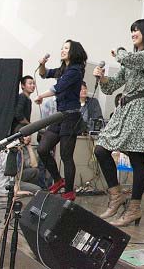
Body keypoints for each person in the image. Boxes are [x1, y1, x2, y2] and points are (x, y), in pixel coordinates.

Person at [92, 19, 144, 227]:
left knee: (137, 158)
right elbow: (111, 86)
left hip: (141, 107)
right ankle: (116, 196)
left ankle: (134, 209)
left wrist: (119, 51)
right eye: (132, 30)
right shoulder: (130, 60)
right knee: (101, 149)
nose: (133, 33)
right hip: (125, 108)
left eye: (136, 30)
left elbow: (128, 58)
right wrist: (102, 78)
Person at [35, 40, 87, 201]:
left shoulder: (75, 71)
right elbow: (44, 74)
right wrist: (42, 64)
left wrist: (41, 96)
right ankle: (58, 180)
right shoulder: (63, 69)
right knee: (42, 149)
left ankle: (69, 191)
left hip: (71, 117)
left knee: (66, 156)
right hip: (59, 116)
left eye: (66, 48)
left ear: (73, 52)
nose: (63, 50)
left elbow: (58, 88)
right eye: (62, 48)